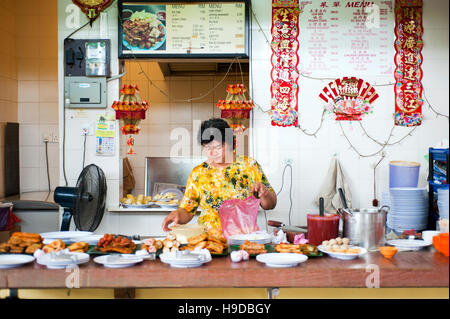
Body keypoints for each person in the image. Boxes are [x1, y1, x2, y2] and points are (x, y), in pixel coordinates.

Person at [162, 118, 277, 232]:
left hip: (243, 239)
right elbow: (187, 210)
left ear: (233, 143)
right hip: (210, 241)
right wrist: (177, 214)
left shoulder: (250, 166)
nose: (212, 153)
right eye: (207, 148)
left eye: (218, 147)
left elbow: (270, 204)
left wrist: (265, 193)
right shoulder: (199, 173)